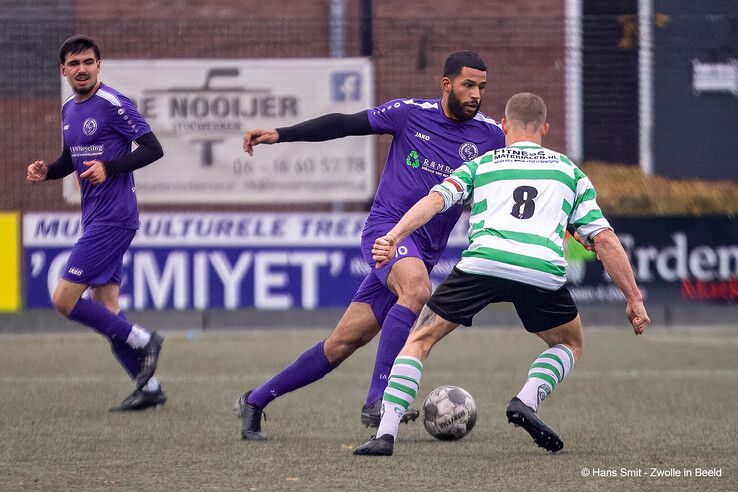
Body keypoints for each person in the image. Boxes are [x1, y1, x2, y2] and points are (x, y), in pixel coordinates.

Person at [354, 92, 650, 456]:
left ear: (505, 126)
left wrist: (394, 236)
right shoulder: (569, 172)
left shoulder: (483, 164)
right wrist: (634, 299)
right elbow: (604, 240)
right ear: (544, 128)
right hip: (540, 269)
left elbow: (434, 201)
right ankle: (527, 399)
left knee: (418, 341)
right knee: (569, 343)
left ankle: (385, 434)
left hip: (482, 264)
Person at [236, 51, 506, 439]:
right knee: (417, 290)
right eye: (468, 85)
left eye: (481, 86)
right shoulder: (410, 114)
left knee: (342, 342)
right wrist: (282, 133)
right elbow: (344, 124)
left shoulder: (490, 135)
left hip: (424, 250)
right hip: (386, 233)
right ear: (446, 84)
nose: (476, 94)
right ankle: (378, 400)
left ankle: (255, 400)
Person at [26, 36, 166, 411]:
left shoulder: (114, 104)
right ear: (64, 70)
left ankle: (142, 338)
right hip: (94, 219)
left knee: (63, 300)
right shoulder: (69, 108)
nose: (82, 69)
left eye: (88, 62)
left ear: (99, 65)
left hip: (115, 219)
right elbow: (71, 159)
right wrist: (48, 171)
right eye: (74, 64)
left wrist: (111, 167)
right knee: (106, 310)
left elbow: (154, 148)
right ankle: (149, 387)